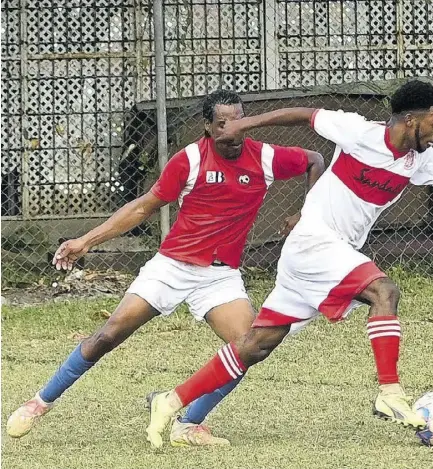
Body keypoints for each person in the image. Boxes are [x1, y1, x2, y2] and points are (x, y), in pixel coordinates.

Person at [145, 79, 433, 448]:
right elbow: (301, 115)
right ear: (410, 120)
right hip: (315, 242)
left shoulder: (422, 160)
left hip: (323, 256)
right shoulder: (358, 131)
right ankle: (389, 391)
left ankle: (172, 402)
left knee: (256, 344)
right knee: (384, 290)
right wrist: (245, 123)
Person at [6, 90, 325, 447]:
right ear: (207, 127)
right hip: (172, 266)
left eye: (239, 122)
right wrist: (86, 242)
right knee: (109, 334)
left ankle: (188, 424)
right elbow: (143, 208)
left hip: (219, 276)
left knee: (248, 347)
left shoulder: (265, 157)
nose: (233, 132)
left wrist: (305, 213)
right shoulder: (188, 160)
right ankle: (40, 402)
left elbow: (314, 159)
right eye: (223, 125)